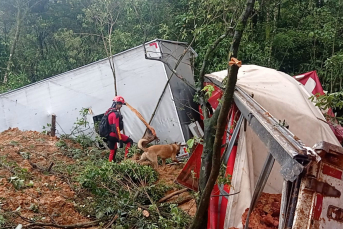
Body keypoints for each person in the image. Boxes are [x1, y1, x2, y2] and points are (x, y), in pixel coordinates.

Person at [105, 95, 133, 162]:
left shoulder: (108, 112)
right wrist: (120, 139)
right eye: (120, 104)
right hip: (114, 134)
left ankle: (110, 165)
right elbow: (116, 127)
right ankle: (126, 160)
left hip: (109, 135)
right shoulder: (115, 114)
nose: (121, 106)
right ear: (117, 103)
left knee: (112, 150)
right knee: (130, 141)